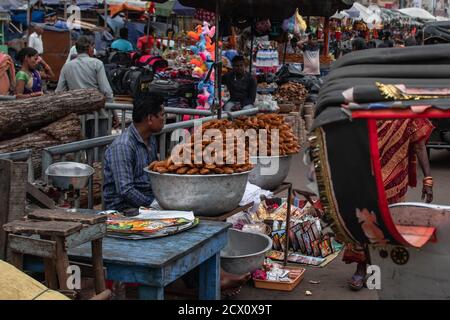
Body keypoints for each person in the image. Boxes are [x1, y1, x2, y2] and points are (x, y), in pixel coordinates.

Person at [103, 94, 251, 295]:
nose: (164, 119)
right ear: (149, 118)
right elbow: (125, 190)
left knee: (194, 223)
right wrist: (155, 207)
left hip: (146, 203)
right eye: (162, 115)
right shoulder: (123, 146)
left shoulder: (149, 141)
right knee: (182, 226)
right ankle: (207, 280)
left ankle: (211, 276)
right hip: (123, 211)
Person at [345, 118, 434, 291]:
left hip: (394, 178)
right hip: (365, 173)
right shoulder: (366, 108)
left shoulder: (408, 113)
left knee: (387, 224)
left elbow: (419, 146)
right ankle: (361, 267)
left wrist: (428, 180)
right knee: (363, 219)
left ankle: (379, 268)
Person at [56, 36, 113, 138]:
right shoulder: (97, 63)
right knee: (97, 149)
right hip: (98, 114)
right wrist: (112, 111)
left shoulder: (67, 66)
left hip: (77, 115)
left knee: (79, 149)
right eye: (93, 46)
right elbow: (106, 91)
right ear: (89, 48)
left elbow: (59, 92)